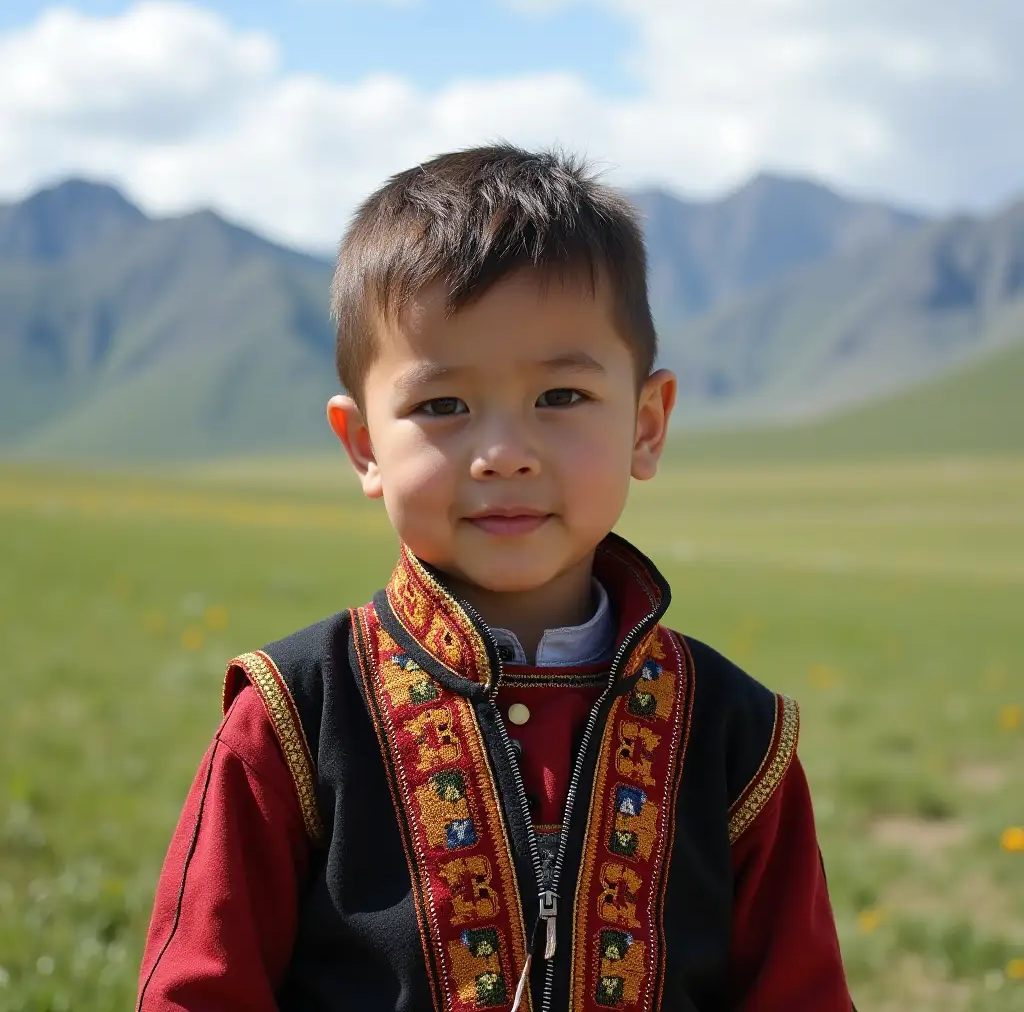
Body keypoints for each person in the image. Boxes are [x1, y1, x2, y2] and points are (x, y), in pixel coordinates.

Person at [137, 144, 853, 1011]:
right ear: (363, 444)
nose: (505, 454)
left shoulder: (736, 735)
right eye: (443, 406)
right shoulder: (294, 717)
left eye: (561, 398)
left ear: (647, 424)